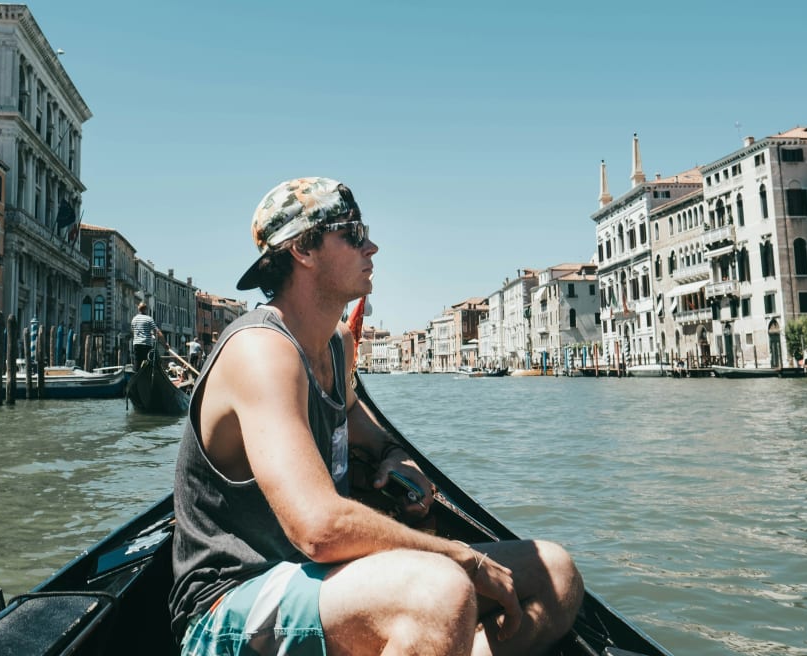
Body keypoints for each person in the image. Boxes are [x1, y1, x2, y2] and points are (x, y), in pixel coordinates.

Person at [170, 177, 584, 656]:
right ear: (303, 249)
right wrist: (462, 557)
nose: (373, 246)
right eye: (353, 233)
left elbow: (358, 421)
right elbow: (320, 529)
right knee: (440, 591)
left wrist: (392, 456)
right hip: (228, 605)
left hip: (325, 584)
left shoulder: (337, 345)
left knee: (555, 573)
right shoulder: (260, 351)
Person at [130, 303, 163, 371]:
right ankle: (147, 378)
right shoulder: (149, 319)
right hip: (146, 344)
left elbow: (134, 332)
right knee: (148, 363)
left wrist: (148, 333)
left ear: (138, 309)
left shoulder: (134, 319)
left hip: (136, 344)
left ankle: (135, 378)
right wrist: (165, 344)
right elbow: (157, 331)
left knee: (137, 362)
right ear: (146, 310)